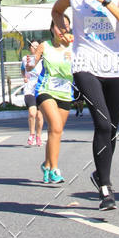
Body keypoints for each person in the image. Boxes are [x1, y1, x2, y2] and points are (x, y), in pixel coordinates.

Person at [52, 0, 119, 211]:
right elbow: (56, 10)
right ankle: (106, 189)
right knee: (102, 124)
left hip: (117, 66)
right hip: (86, 64)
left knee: (111, 128)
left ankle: (100, 174)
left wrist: (106, 0)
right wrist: (60, 26)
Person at [34, 22, 74, 184]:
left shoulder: (74, 45)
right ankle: (55, 170)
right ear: (52, 29)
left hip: (65, 93)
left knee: (55, 132)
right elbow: (30, 66)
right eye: (58, 26)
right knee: (56, 127)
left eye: (65, 26)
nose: (62, 30)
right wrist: (31, 62)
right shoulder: (45, 46)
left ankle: (47, 165)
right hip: (46, 90)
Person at [21, 41, 43, 145]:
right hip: (29, 90)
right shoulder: (26, 59)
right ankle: (31, 134)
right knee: (32, 113)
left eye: (37, 46)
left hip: (40, 89)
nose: (35, 48)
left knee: (39, 116)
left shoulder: (43, 60)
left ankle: (38, 136)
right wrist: (24, 77)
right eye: (33, 46)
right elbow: (22, 70)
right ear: (30, 48)